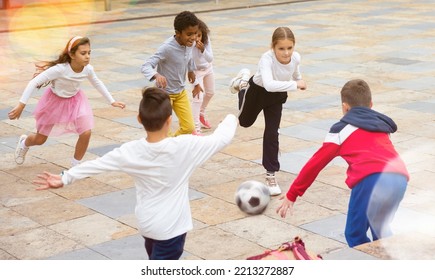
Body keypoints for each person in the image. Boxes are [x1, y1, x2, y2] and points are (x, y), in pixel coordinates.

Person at [33, 87, 238, 260]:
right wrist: (230, 117)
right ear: (169, 120)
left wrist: (65, 177)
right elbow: (221, 138)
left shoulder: (130, 151)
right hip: (172, 230)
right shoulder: (186, 146)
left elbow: (98, 164)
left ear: (139, 119)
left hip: (148, 226)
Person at [276, 79, 409, 248]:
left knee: (355, 234)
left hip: (371, 180)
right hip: (399, 178)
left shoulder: (341, 131)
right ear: (371, 104)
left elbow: (315, 164)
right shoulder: (381, 126)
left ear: (345, 107)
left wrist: (292, 194)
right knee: (381, 231)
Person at [8, 36, 125, 167]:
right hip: (54, 103)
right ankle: (24, 143)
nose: (87, 56)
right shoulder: (60, 69)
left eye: (89, 53)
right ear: (71, 54)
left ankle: (76, 165)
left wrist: (112, 101)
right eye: (83, 53)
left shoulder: (88, 69)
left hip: (76, 101)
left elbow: (97, 83)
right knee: (40, 139)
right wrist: (21, 105)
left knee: (86, 132)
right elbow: (34, 82)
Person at [229, 26, 307, 195]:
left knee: (272, 132)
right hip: (257, 91)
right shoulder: (267, 59)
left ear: (294, 46)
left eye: (289, 48)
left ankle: (271, 174)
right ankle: (242, 84)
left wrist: (299, 80)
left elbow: (295, 72)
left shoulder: (296, 57)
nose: (286, 53)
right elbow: (270, 85)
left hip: (276, 97)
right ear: (273, 47)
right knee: (244, 122)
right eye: (281, 48)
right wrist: (295, 85)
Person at [141, 10, 202, 136]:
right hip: (164, 95)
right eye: (189, 34)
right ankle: (168, 146)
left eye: (195, 33)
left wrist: (191, 71)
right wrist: (156, 75)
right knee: (165, 130)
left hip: (180, 92)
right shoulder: (167, 48)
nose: (193, 37)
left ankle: (171, 142)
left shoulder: (189, 43)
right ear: (178, 33)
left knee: (189, 127)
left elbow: (188, 56)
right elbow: (146, 65)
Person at [190, 18, 215, 135]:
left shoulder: (206, 40)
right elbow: (187, 60)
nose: (197, 38)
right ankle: (196, 128)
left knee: (210, 92)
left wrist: (203, 50)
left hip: (208, 68)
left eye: (199, 35)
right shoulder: (189, 43)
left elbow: (210, 58)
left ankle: (201, 114)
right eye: (195, 35)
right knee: (197, 98)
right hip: (196, 71)